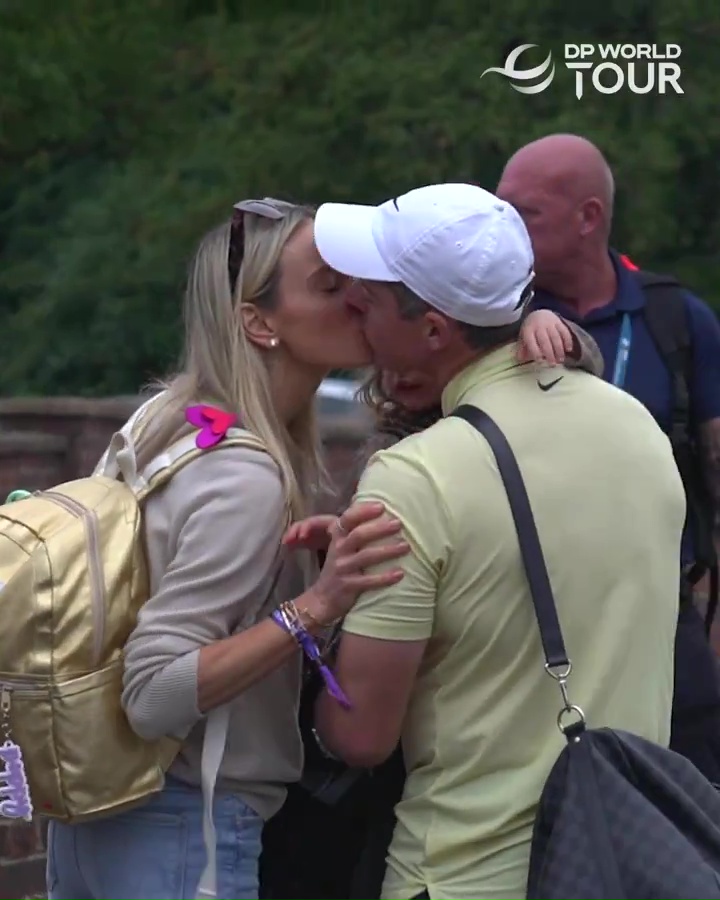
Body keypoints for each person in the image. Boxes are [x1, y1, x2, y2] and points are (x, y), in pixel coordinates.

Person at [304, 182, 685, 900]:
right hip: (622, 863)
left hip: (463, 873)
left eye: (373, 298)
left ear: (435, 331)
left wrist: (317, 620)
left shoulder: (417, 476)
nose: (354, 303)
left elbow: (360, 736)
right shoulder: (636, 426)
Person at [46, 197, 412, 900]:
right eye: (330, 288)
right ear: (258, 322)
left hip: (98, 816)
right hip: (181, 830)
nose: (358, 301)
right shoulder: (243, 473)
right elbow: (154, 694)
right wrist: (314, 605)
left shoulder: (165, 424)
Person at [496, 133, 720, 781]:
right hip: (537, 622)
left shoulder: (676, 320)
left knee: (689, 804)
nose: (504, 229)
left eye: (525, 214)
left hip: (661, 620)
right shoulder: (497, 318)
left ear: (588, 217)